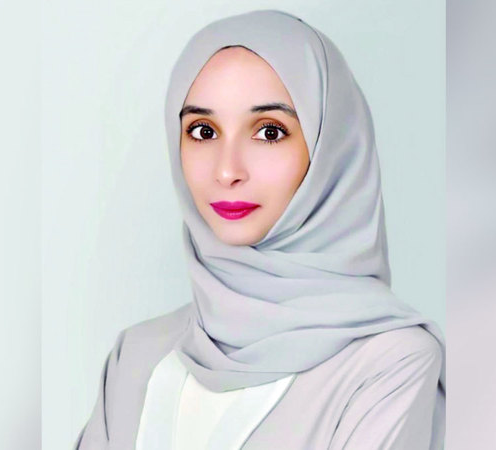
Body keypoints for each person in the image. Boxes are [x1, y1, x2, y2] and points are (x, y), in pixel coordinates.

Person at [75, 9, 445, 449]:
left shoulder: (389, 364)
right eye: (203, 131)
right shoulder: (136, 355)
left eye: (269, 132)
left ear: (330, 150)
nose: (227, 170)